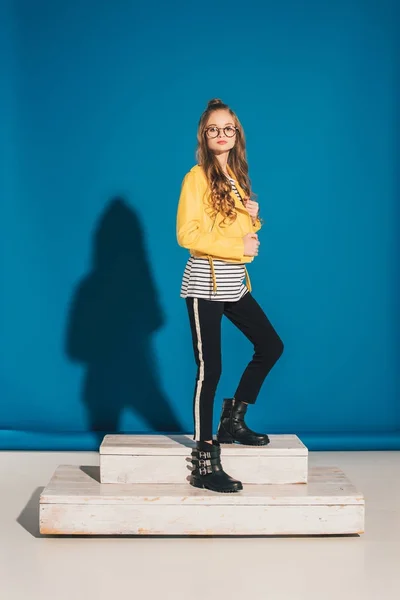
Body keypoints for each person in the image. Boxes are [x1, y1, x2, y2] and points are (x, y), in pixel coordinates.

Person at [176, 98, 284, 493]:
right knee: (211, 369)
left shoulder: (234, 174)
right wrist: (241, 246)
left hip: (233, 283)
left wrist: (251, 217)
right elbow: (188, 235)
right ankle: (205, 459)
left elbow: (230, 228)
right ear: (204, 137)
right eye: (213, 129)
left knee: (270, 345)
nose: (221, 135)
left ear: (236, 135)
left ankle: (232, 421)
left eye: (228, 129)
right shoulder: (196, 177)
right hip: (205, 285)